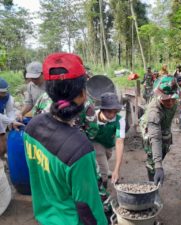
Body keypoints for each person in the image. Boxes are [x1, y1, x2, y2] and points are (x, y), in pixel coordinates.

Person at [24, 53, 107, 225]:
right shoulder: (80, 151)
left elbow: (36, 173)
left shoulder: (31, 128)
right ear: (83, 94)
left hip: (45, 217)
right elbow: (89, 209)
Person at [139, 76, 178, 184]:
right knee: (153, 156)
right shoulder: (154, 112)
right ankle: (152, 184)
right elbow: (155, 138)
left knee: (165, 146)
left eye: (173, 99)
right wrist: (158, 166)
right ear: (159, 97)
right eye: (166, 100)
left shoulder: (174, 99)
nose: (170, 103)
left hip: (164, 127)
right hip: (151, 128)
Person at [86, 92, 125, 188]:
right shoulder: (92, 118)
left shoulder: (120, 120)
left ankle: (98, 177)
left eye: (115, 112)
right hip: (95, 143)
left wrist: (116, 170)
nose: (112, 115)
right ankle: (102, 193)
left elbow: (119, 143)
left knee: (103, 162)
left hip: (108, 145)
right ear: (102, 109)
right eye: (109, 111)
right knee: (103, 170)